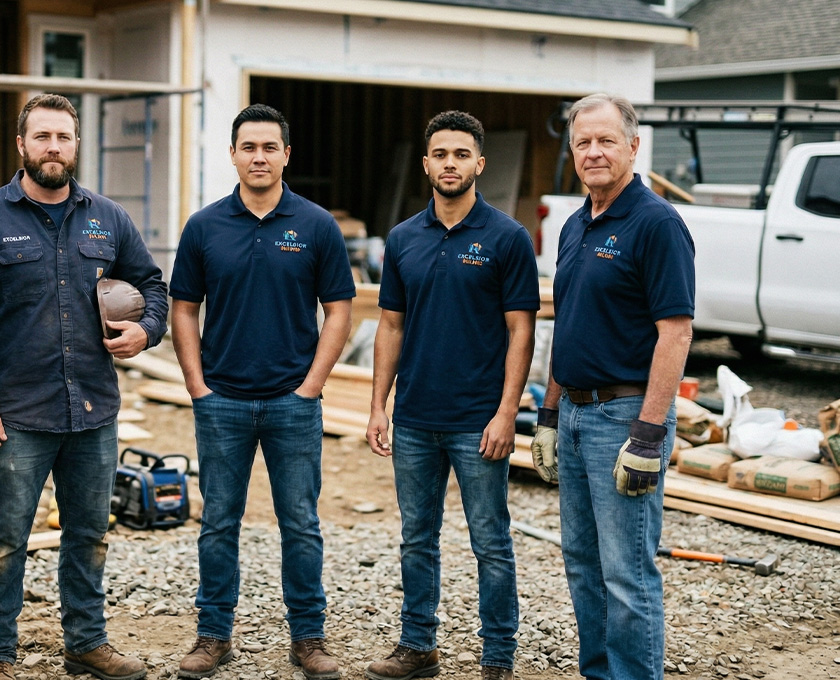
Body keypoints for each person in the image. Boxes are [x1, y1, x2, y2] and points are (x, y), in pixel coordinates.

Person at [0, 94, 167, 680]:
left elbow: (153, 285)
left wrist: (145, 331)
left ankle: (85, 643)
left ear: (75, 145)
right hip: (16, 415)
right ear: (21, 145)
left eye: (63, 137)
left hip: (93, 409)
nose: (53, 148)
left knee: (89, 535)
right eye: (41, 137)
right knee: (5, 538)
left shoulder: (108, 218)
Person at [169, 104, 355, 680]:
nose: (259, 157)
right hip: (221, 399)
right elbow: (182, 309)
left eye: (269, 147)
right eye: (248, 147)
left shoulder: (317, 224)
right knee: (218, 521)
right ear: (232, 154)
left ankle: (308, 637)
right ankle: (213, 635)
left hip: (292, 404)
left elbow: (340, 310)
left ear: (285, 155)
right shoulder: (204, 226)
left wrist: (312, 387)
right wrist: (197, 385)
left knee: (299, 522)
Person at [364, 111, 538, 680]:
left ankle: (498, 658)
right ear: (426, 164)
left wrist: (507, 413)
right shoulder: (403, 238)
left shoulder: (507, 238)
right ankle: (418, 646)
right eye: (440, 154)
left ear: (479, 164)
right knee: (417, 538)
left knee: (490, 541)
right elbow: (390, 326)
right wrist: (377, 406)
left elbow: (521, 330)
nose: (450, 164)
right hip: (414, 418)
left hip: (477, 421)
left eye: (461, 155)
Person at [532, 93, 695, 680]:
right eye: (583, 142)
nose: (594, 151)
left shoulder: (656, 224)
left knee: (627, 571)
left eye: (606, 140)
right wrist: (548, 417)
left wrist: (649, 434)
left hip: (625, 418)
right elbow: (568, 325)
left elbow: (675, 334)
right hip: (575, 416)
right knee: (581, 562)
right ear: (572, 151)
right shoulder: (576, 225)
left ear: (633, 146)